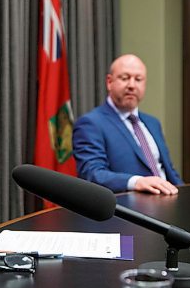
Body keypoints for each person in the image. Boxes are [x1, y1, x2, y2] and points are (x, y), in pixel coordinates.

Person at [73, 54, 183, 195]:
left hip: (169, 203)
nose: (131, 85)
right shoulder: (91, 124)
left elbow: (168, 171)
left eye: (138, 79)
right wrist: (136, 182)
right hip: (129, 210)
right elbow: (92, 174)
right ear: (109, 82)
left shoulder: (153, 123)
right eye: (124, 78)